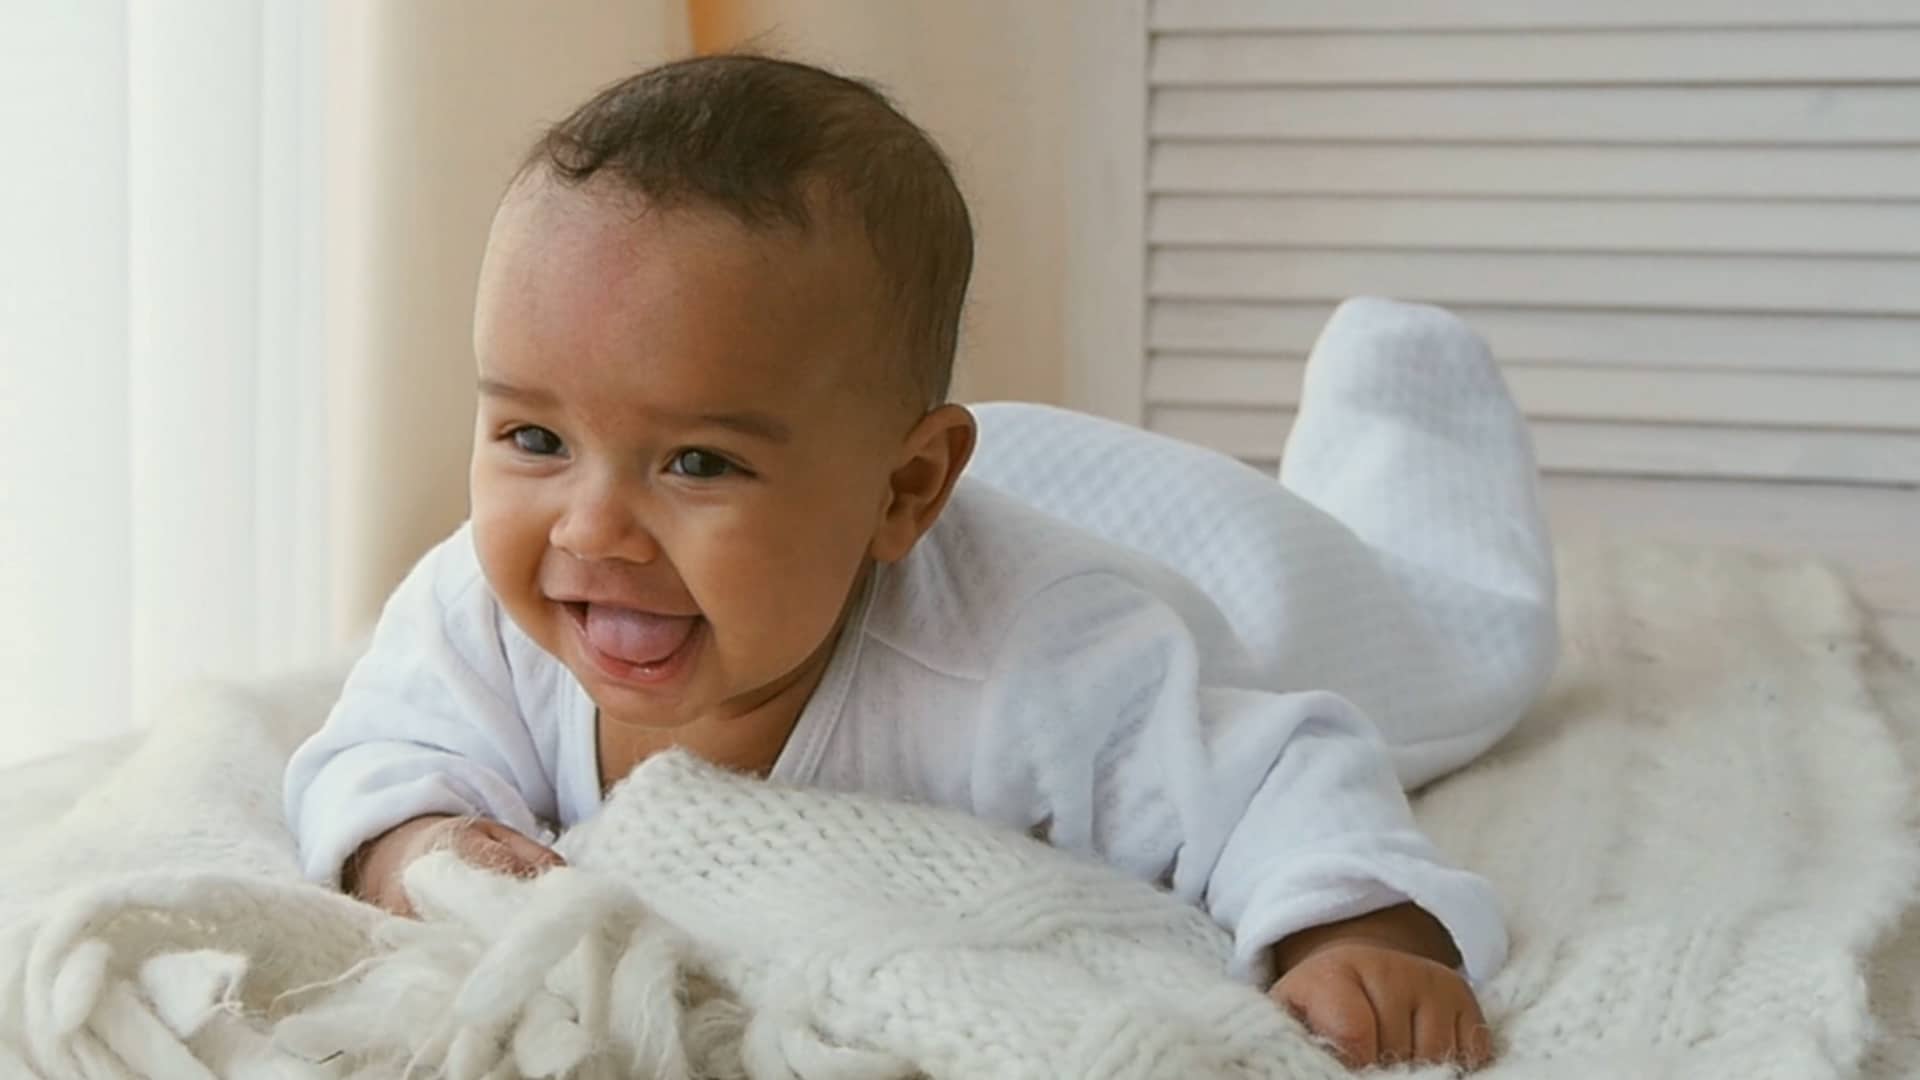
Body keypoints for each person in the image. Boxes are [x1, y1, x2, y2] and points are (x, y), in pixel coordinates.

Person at [284, 54, 1558, 1071]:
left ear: (904, 488)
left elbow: (1280, 768)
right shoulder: (485, 602)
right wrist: (422, 842)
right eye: (533, 436)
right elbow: (371, 754)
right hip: (958, 501)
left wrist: (1353, 929)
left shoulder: (1053, 662)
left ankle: (1401, 423)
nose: (591, 528)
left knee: (1439, 648)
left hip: (1174, 546)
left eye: (699, 464)